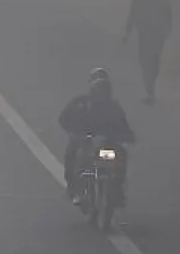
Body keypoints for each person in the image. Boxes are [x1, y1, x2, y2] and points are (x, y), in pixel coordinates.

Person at [57, 68, 135, 202]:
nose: (101, 91)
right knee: (72, 154)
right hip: (86, 141)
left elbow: (124, 125)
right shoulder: (80, 103)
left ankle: (118, 187)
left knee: (121, 155)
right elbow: (64, 118)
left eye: (103, 88)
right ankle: (75, 189)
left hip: (108, 144)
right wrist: (74, 134)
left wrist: (128, 137)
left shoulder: (114, 106)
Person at [123, 0, 173, 103]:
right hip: (146, 34)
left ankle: (150, 89)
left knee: (152, 62)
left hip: (155, 34)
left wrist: (167, 30)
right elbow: (132, 17)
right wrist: (127, 32)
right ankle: (149, 88)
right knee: (145, 61)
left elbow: (168, 16)